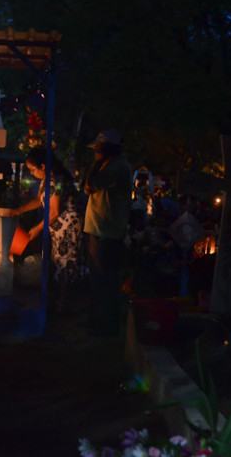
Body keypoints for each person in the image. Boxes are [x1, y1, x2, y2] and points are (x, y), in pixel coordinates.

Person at [7, 147, 83, 309]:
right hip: (58, 226)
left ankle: (63, 304)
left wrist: (37, 228)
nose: (32, 173)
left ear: (43, 166)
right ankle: (57, 302)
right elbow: (38, 201)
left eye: (33, 170)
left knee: (64, 261)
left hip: (67, 227)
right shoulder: (47, 179)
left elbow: (54, 211)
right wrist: (18, 211)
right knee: (57, 260)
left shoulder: (55, 179)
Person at [83, 129, 132, 336]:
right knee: (101, 279)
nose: (95, 153)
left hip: (105, 230)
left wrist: (95, 165)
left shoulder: (116, 167)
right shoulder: (114, 166)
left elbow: (89, 186)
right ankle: (100, 322)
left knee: (104, 279)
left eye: (97, 149)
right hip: (102, 228)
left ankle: (105, 325)